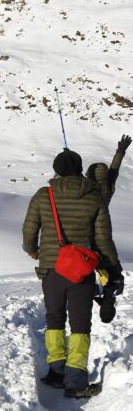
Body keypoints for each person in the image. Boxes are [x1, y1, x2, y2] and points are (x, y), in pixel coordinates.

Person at [23, 148, 121, 398]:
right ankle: (76, 381)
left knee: (54, 318)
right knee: (80, 324)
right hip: (81, 271)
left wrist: (33, 251)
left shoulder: (44, 195)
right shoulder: (94, 197)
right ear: (80, 170)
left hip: (51, 268)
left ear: (56, 170)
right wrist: (114, 269)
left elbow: (29, 230)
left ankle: (56, 372)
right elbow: (104, 239)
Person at [86, 134, 130, 322]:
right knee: (107, 268)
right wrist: (121, 151)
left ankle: (89, 294)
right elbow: (114, 169)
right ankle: (107, 292)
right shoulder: (108, 187)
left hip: (86, 234)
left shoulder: (87, 189)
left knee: (84, 266)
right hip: (103, 232)